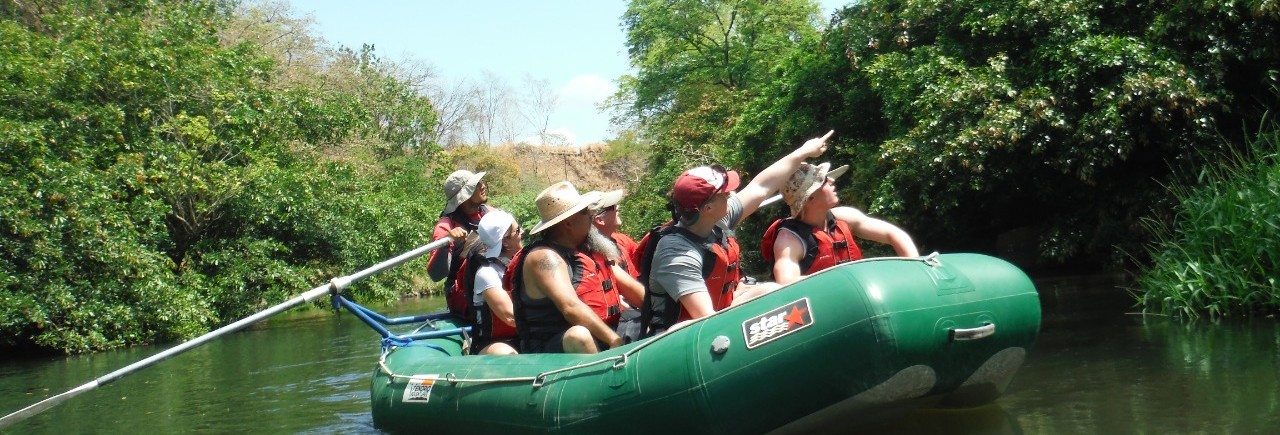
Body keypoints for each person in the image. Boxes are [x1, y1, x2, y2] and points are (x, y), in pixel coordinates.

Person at [640, 131, 832, 336]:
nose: (731, 195)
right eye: (724, 194)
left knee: (773, 291)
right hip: (688, 339)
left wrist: (803, 152)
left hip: (719, 317)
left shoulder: (716, 220)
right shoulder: (676, 253)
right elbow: (707, 319)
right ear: (707, 209)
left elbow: (761, 187)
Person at [505, 182, 624, 354]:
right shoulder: (545, 257)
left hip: (592, 343)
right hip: (550, 350)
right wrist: (614, 340)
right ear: (568, 223)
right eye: (584, 212)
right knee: (579, 335)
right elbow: (570, 307)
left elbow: (628, 286)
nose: (591, 215)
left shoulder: (584, 252)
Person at [763, 162, 918, 285]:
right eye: (823, 181)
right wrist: (844, 282)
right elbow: (786, 282)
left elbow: (894, 234)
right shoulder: (788, 241)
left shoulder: (844, 217)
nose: (832, 180)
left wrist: (916, 267)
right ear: (810, 198)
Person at [455, 209, 522, 355]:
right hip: (494, 344)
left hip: (525, 338)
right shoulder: (487, 273)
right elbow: (511, 317)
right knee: (506, 353)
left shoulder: (523, 264)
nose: (522, 232)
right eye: (517, 230)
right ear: (505, 240)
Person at [428, 169, 489, 318]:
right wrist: (446, 243)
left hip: (491, 282)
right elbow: (436, 275)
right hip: (463, 294)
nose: (483, 186)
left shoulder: (489, 213)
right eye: (476, 185)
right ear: (464, 196)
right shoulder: (445, 226)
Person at [587, 189, 645, 308]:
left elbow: (646, 260)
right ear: (600, 220)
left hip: (638, 307)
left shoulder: (622, 240)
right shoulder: (585, 255)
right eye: (612, 207)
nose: (618, 207)